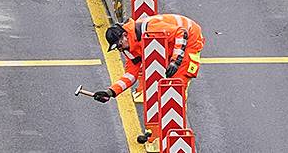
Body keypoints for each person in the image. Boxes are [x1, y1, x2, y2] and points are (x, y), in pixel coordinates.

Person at [85, 13, 206, 144]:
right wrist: (111, 92)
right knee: (161, 86)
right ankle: (159, 133)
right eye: (117, 48)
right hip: (170, 42)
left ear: (125, 35)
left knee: (176, 87)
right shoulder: (129, 47)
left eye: (119, 45)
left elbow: (181, 33)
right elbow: (131, 75)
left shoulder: (150, 29)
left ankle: (175, 135)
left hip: (189, 38)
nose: (120, 49)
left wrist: (175, 61)